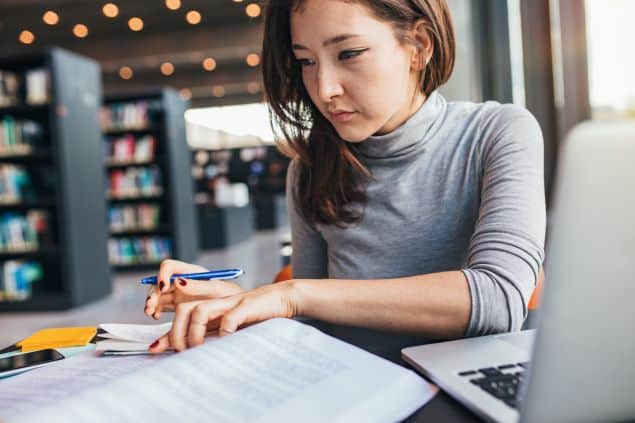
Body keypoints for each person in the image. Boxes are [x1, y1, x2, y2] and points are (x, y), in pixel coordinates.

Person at [144, 0, 546, 362]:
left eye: (349, 54)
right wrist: (240, 306)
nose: (324, 89)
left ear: (419, 46)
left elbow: (498, 301)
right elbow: (313, 328)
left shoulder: (497, 132)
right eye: (306, 61)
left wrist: (293, 295)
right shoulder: (309, 168)